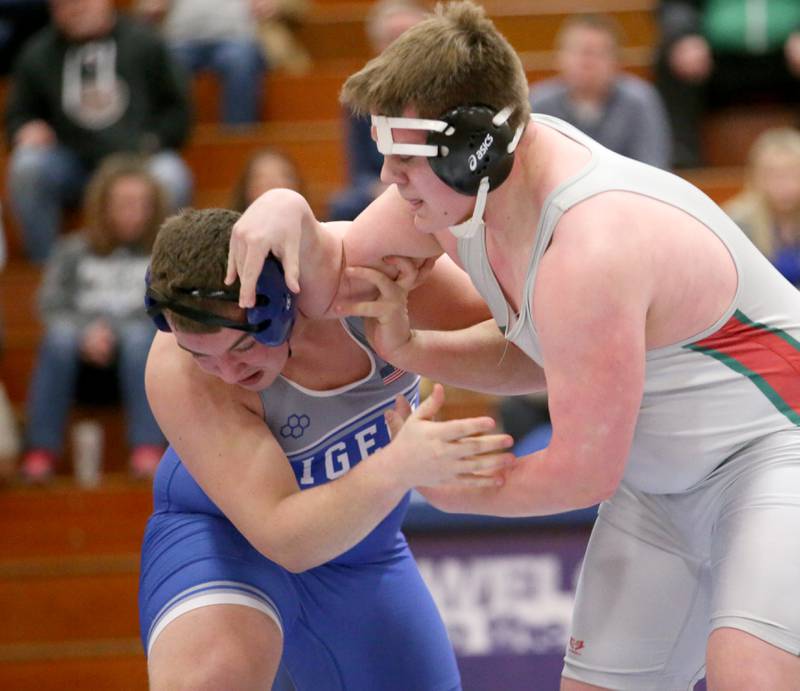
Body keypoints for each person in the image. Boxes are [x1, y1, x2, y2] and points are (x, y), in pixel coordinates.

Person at [226, 2, 800, 688]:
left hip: (773, 455)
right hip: (660, 483)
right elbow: (328, 275)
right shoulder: (467, 193)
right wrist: (284, 208)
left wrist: (454, 489)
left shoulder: (589, 245)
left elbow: (584, 472)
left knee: (751, 676)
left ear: (473, 147)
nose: (387, 177)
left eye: (403, 155)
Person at [139, 206, 515, 689]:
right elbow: (284, 537)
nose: (228, 373)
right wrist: (396, 467)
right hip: (225, 539)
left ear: (278, 307)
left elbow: (528, 345)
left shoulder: (363, 271)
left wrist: (413, 346)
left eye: (240, 348)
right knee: (214, 679)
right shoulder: (174, 372)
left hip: (363, 550)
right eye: (202, 357)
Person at [4, 0, 193, 263]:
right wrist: (25, 129)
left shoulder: (145, 42)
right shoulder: (37, 53)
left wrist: (154, 140)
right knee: (28, 166)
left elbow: (178, 110)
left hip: (138, 160)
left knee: (171, 174)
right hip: (72, 164)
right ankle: (48, 272)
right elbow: (18, 115)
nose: (74, 9)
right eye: (63, 5)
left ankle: (159, 272)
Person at [21, 155, 168, 483]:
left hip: (138, 357)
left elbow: (166, 307)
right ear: (104, 206)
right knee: (57, 338)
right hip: (80, 360)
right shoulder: (72, 249)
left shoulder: (161, 252)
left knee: (141, 336)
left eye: (143, 204)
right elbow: (49, 303)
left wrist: (112, 331)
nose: (135, 213)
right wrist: (85, 332)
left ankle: (147, 447)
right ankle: (40, 451)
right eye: (125, 203)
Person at [655, 0, 800, 168]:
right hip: (716, 59)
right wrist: (684, 35)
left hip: (787, 56)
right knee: (674, 56)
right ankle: (685, 167)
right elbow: (677, 5)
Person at [529, 13, 671, 170]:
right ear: (559, 57)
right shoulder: (538, 105)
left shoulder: (640, 101)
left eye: (599, 53)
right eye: (579, 52)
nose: (587, 63)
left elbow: (653, 169)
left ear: (617, 61)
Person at [327, 0, 428, 221]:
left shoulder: (453, 87)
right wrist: (383, 190)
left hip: (439, 180)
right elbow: (359, 172)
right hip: (386, 185)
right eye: (393, 38)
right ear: (377, 47)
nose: (403, 46)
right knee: (342, 204)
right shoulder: (360, 98)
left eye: (412, 37)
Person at [136, 0, 267, 126]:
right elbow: (144, 8)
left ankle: (238, 138)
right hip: (180, 41)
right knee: (165, 63)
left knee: (240, 62)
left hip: (235, 39)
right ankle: (168, 137)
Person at [724, 127, 800, 286]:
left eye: (792, 174)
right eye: (774, 175)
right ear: (756, 176)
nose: (784, 184)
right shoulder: (735, 221)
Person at [230, 147, 304, 212]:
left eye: (283, 177)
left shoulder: (312, 226)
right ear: (246, 189)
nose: (273, 186)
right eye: (261, 179)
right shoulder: (230, 225)